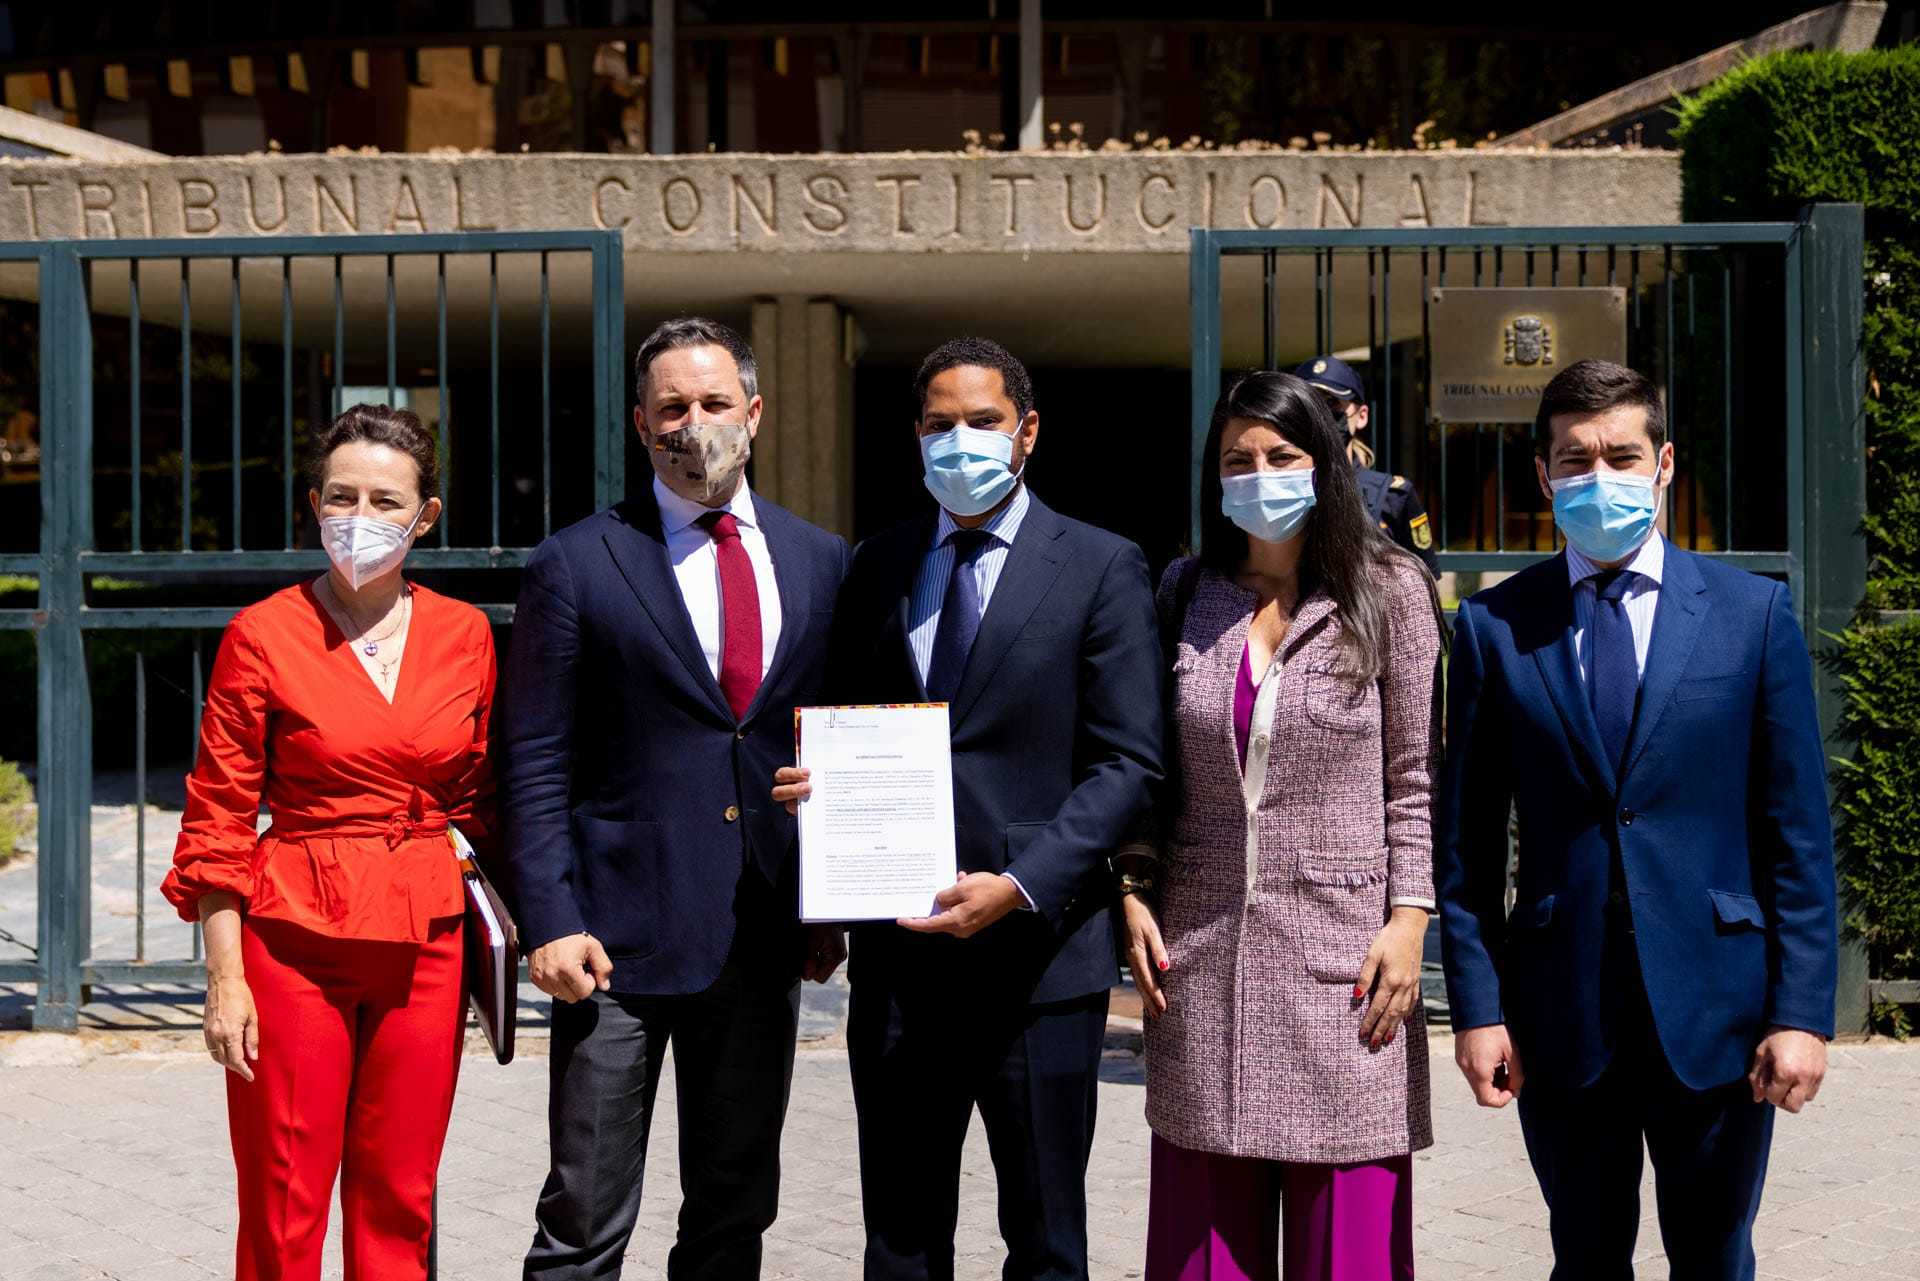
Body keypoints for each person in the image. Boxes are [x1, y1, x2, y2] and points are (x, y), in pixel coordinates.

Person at [1436, 359, 1837, 1281]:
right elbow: (1464, 845)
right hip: (1561, 1015)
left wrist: (1802, 1014)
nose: (1599, 476)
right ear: (1543, 477)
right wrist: (1479, 1009)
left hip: (1720, 1015)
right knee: (1584, 1258)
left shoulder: (1752, 615)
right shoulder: (1495, 627)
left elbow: (1798, 837)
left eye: (1621, 455)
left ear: (1664, 464)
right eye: (1575, 459)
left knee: (1716, 1259)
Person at [773, 336, 1163, 1281]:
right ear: (916, 435)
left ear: (1027, 432)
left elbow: (1129, 763)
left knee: (1046, 1239)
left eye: (983, 421)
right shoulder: (878, 564)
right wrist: (815, 795)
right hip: (901, 961)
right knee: (900, 1240)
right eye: (939, 423)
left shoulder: (1101, 564)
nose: (961, 440)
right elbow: (846, 720)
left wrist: (1022, 884)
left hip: (1040, 960)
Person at [503, 317, 851, 1281]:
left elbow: (835, 735)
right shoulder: (577, 560)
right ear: (640, 424)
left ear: (755, 412)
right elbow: (534, 757)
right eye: (671, 407)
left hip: (759, 931)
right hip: (611, 941)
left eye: (713, 402)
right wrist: (549, 918)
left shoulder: (821, 559)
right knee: (583, 1218)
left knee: (734, 1213)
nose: (693, 423)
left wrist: (827, 893)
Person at [1116, 371, 1442, 1281]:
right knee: (1202, 1260)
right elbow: (1146, 767)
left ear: (1326, 461)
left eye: (1282, 455)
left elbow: (1416, 777)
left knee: (1351, 1258)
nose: (1259, 475)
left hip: (1349, 969)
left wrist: (1410, 916)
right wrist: (1133, 889)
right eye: (1238, 460)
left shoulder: (1389, 588)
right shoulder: (1187, 589)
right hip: (1202, 966)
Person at [161, 404, 495, 1281]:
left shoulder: (466, 635)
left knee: (399, 1195)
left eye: (385, 500)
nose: (359, 516)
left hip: (425, 938)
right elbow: (218, 817)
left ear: (425, 516)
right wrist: (225, 980)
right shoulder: (263, 634)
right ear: (314, 504)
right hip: (293, 939)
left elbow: (482, 797)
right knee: (284, 1197)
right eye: (341, 496)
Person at [1293, 356, 1438, 577]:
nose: (1320, 414)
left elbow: (1425, 582)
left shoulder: (1393, 496)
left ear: (1361, 416)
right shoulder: (1277, 489)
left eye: (1331, 403)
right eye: (1309, 404)